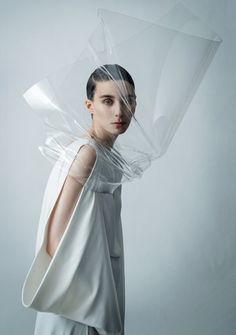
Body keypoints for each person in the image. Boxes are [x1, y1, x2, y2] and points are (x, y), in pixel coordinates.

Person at [22, 64, 136, 335]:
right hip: (80, 297)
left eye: (127, 100)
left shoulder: (110, 158)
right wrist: (94, 296)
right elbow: (55, 239)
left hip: (100, 280)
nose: (119, 111)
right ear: (89, 105)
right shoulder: (88, 154)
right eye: (107, 101)